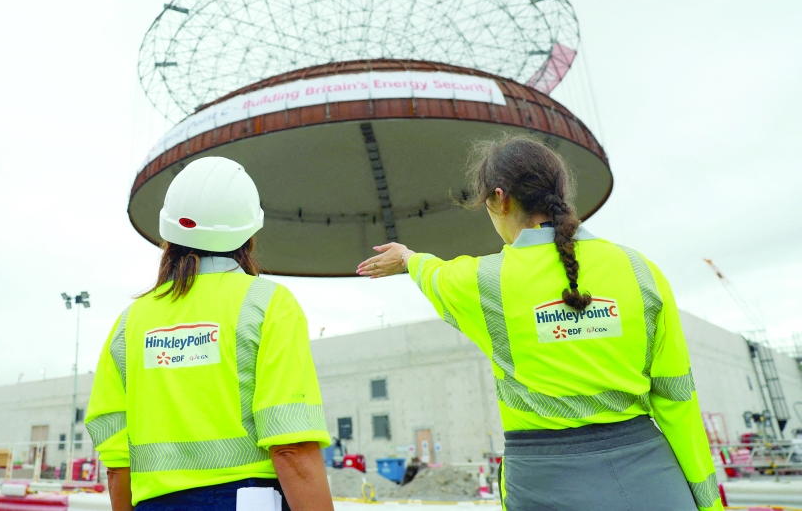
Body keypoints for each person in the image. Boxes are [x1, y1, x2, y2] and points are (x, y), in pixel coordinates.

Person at [357, 136, 722, 511]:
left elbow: (433, 273)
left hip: (544, 482)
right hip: (652, 478)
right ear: (561, 193)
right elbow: (678, 400)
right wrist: (709, 504)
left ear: (500, 199)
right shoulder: (642, 271)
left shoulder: (483, 282)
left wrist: (406, 257)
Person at [85, 156, 333, 511]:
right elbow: (290, 447)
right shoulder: (268, 304)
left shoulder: (130, 323)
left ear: (168, 232)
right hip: (249, 501)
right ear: (249, 232)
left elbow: (117, 461)